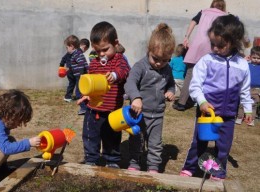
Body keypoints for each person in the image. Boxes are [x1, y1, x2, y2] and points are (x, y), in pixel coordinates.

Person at [180, 15, 253, 181]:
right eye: (212, 44)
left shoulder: (242, 65)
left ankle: (218, 171)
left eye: (220, 45)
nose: (214, 48)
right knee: (199, 142)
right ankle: (190, 167)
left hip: (228, 115)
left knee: (223, 146)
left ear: (233, 42)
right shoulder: (206, 61)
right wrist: (202, 102)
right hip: (207, 112)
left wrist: (248, 108)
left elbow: (245, 89)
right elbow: (195, 85)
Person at [77, 21, 130, 168]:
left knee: (111, 137)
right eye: (97, 50)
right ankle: (91, 158)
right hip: (93, 109)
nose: (101, 54)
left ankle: (111, 160)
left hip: (112, 111)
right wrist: (87, 94)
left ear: (116, 43)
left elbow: (125, 72)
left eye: (105, 50)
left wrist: (114, 75)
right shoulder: (94, 63)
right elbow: (90, 82)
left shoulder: (119, 60)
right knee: (90, 135)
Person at [124, 23, 176, 173]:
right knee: (136, 140)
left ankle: (153, 166)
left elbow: (171, 84)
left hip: (157, 115)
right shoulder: (140, 66)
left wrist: (171, 91)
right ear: (149, 50)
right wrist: (135, 98)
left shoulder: (167, 69)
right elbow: (130, 82)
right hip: (138, 114)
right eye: (156, 58)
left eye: (165, 60)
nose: (159, 64)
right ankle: (134, 163)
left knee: (155, 143)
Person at [173, 0, 227, 111]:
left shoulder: (203, 12)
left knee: (189, 75)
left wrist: (187, 36)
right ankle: (206, 102)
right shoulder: (225, 16)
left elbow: (193, 22)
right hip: (213, 46)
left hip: (198, 46)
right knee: (210, 76)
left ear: (212, 4)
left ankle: (181, 103)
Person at [60, 35, 89, 115]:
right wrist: (70, 69)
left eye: (67, 48)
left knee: (78, 93)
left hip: (80, 76)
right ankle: (87, 106)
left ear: (72, 46)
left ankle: (84, 108)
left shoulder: (77, 54)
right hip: (79, 76)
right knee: (82, 92)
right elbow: (78, 64)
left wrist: (80, 74)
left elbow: (82, 63)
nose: (67, 50)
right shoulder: (75, 54)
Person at [236, 46, 260, 126]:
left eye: (258, 58)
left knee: (253, 105)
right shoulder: (246, 64)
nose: (256, 59)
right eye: (254, 57)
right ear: (250, 56)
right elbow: (239, 66)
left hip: (256, 89)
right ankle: (240, 117)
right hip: (246, 87)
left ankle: (251, 119)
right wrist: (244, 60)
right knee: (242, 103)